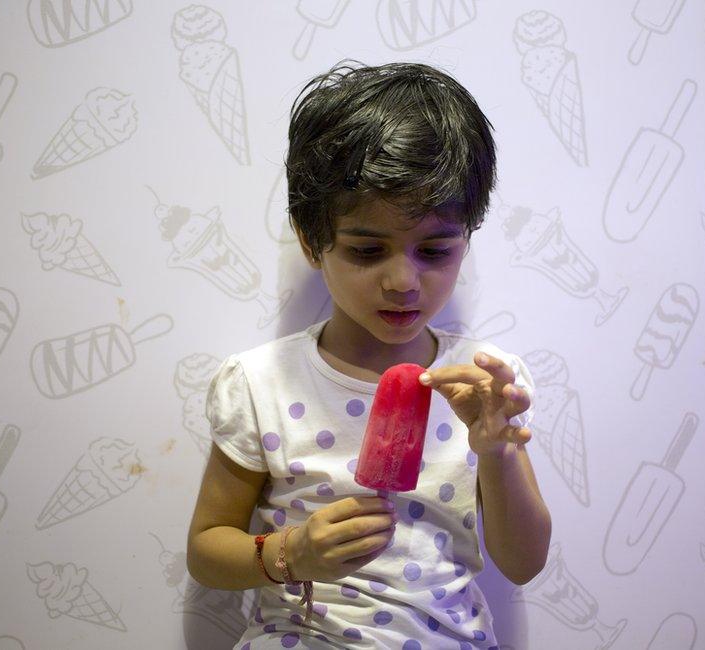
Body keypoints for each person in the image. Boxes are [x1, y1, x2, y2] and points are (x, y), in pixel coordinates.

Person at [187, 61, 552, 649]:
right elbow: (207, 548)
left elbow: (524, 562)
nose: (404, 280)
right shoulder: (260, 383)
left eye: (435, 249)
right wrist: (291, 552)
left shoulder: (485, 386)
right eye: (366, 249)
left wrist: (497, 454)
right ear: (312, 241)